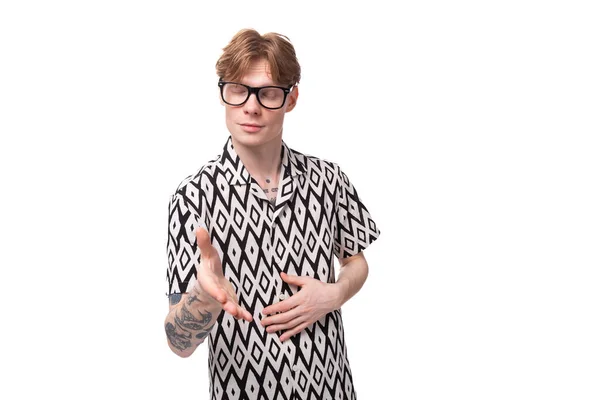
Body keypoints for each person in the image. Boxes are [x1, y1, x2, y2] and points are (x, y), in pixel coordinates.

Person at [164, 28, 381, 400]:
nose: (251, 106)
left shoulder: (329, 178)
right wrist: (204, 295)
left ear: (291, 98)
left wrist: (335, 293)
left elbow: (356, 261)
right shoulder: (191, 197)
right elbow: (179, 344)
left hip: (332, 390)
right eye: (238, 90)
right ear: (224, 94)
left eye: (267, 93)